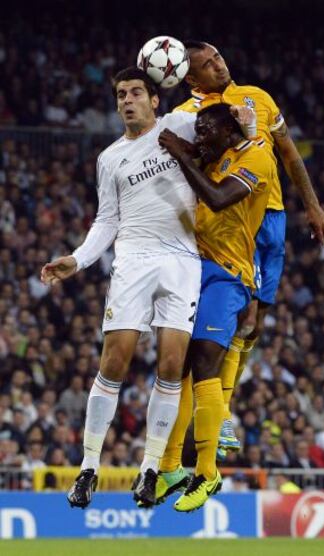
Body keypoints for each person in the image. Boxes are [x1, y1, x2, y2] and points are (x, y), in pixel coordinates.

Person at [159, 40, 324, 472]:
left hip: (274, 218)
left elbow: (288, 154)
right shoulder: (192, 115)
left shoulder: (259, 97)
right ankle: (222, 417)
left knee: (257, 325)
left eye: (218, 57)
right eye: (208, 64)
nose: (220, 65)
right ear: (191, 77)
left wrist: (311, 203)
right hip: (240, 224)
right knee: (244, 316)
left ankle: (221, 411)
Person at [41, 67, 202, 508]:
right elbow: (106, 219)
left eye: (135, 92)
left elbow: (221, 114)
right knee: (114, 360)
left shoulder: (180, 124)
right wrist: (78, 258)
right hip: (133, 259)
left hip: (184, 260)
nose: (126, 100)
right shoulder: (109, 158)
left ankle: (150, 470)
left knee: (172, 365)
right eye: (120, 94)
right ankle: (88, 467)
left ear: (155, 99)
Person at [157, 102, 274, 511]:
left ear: (229, 131)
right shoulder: (216, 154)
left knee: (205, 362)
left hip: (228, 274)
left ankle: (206, 472)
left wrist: (179, 153)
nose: (200, 137)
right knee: (185, 367)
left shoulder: (256, 155)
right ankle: (171, 466)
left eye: (206, 130)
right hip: (197, 269)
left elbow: (221, 197)